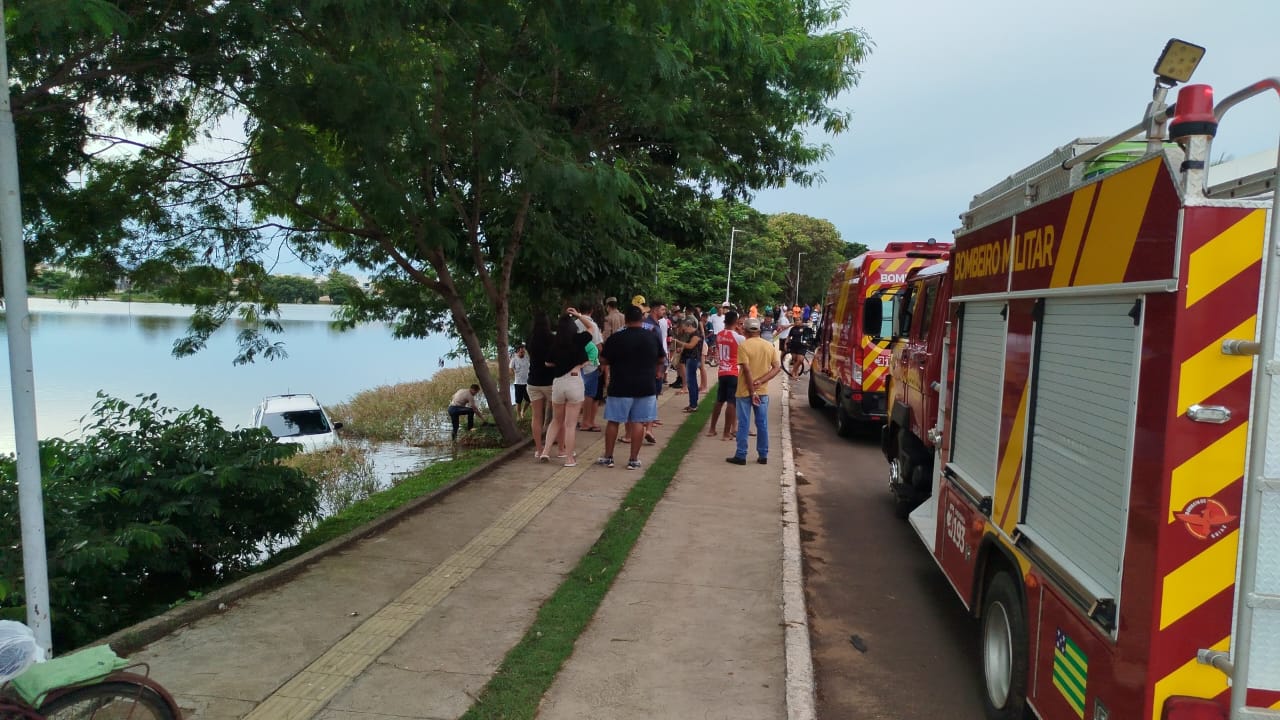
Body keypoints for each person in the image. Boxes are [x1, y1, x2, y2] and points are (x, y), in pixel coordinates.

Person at [595, 304, 666, 470]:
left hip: (620, 385)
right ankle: (633, 460)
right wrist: (656, 371)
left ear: (625, 319)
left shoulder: (616, 338)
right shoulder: (652, 337)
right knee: (638, 422)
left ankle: (609, 457)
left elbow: (604, 360)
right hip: (645, 386)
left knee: (613, 421)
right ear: (642, 319)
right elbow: (661, 359)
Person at [539, 307, 597, 466]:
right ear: (573, 327)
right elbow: (591, 327)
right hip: (574, 382)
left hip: (558, 383)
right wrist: (578, 315)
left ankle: (545, 452)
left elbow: (547, 362)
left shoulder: (555, 342)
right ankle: (569, 458)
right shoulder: (579, 339)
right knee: (570, 425)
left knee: (556, 420)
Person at [727, 317, 780, 465]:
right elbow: (776, 368)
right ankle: (763, 455)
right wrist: (762, 381)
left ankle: (741, 455)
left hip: (745, 391)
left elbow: (747, 371)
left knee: (744, 423)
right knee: (762, 423)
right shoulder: (769, 346)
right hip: (762, 391)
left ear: (745, 331)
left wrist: (752, 391)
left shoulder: (744, 346)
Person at [707, 310, 745, 440]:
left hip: (722, 370)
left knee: (719, 400)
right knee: (731, 403)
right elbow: (745, 344)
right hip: (734, 371)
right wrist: (740, 331)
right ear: (736, 322)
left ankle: (712, 428)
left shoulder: (719, 335)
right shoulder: (738, 337)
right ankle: (726, 432)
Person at [526, 311, 556, 458]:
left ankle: (538, 449)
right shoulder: (552, 339)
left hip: (533, 381)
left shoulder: (530, 339)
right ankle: (558, 447)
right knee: (558, 417)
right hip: (550, 382)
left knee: (536, 416)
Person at [676, 316, 703, 412]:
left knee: (691, 383)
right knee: (692, 382)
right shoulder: (692, 335)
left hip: (693, 359)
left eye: (685, 328)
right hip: (690, 359)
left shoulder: (696, 334)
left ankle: (693, 405)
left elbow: (691, 345)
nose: (685, 330)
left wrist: (678, 342)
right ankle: (692, 403)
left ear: (690, 325)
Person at [510, 343, 530, 420]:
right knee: (518, 401)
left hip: (527, 382)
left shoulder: (527, 357)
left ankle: (523, 412)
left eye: (523, 352)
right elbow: (510, 368)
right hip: (518, 383)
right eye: (521, 352)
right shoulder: (514, 359)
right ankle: (518, 416)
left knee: (528, 400)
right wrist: (513, 373)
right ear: (517, 352)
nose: (523, 353)